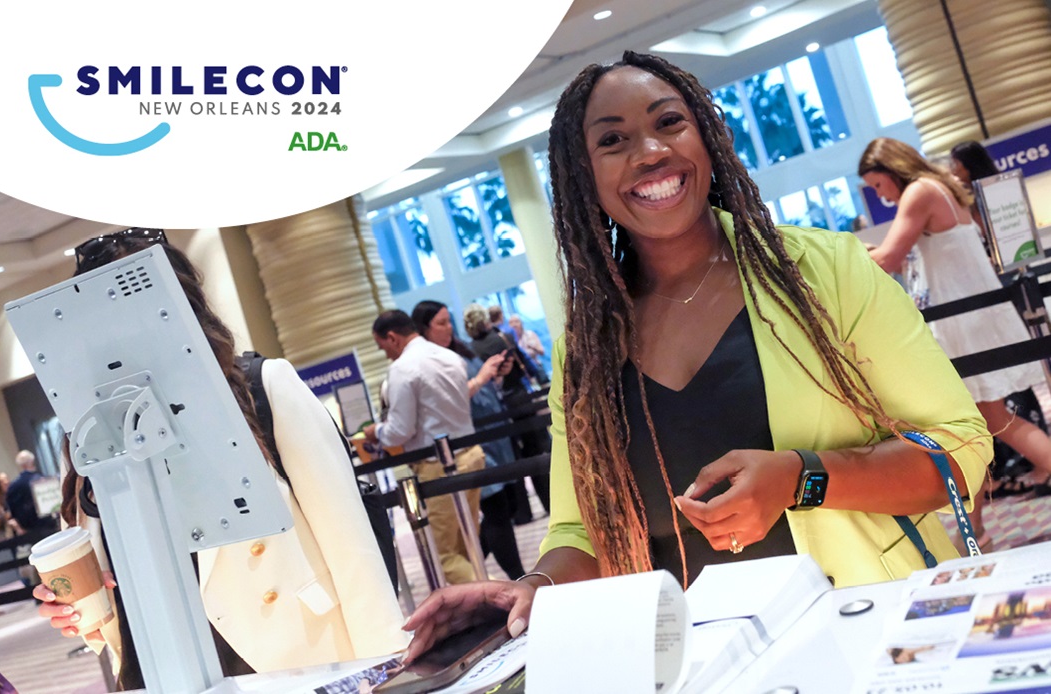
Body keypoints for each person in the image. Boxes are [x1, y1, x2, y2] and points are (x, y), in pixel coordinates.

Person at [400, 52, 990, 660]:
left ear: (706, 137)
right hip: (696, 661)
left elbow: (962, 446)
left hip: (870, 633)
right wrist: (532, 587)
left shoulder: (826, 271)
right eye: (613, 140)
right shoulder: (587, 352)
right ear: (584, 177)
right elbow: (580, 529)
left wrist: (802, 477)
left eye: (669, 123)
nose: (650, 151)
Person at [33, 229, 406, 688]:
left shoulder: (262, 388)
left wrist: (386, 671)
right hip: (164, 669)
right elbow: (110, 603)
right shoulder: (91, 436)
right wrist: (77, 613)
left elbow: (352, 547)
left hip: (291, 659)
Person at [859, 137, 1051, 508]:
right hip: (971, 320)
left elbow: (888, 258)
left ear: (892, 169)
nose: (881, 196)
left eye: (879, 185)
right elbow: (905, 261)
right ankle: (977, 529)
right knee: (988, 423)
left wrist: (852, 254)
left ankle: (976, 529)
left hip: (962, 325)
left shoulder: (919, 192)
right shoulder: (939, 187)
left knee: (967, 427)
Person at [364, 309, 488, 585]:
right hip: (472, 455)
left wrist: (376, 432)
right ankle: (485, 607)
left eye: (382, 346)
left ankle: (501, 595)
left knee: (445, 557)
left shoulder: (402, 369)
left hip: (438, 467)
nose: (384, 353)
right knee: (468, 544)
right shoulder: (450, 356)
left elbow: (399, 430)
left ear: (393, 338)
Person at [411, 300, 527, 580]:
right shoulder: (431, 362)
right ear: (423, 328)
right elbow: (451, 401)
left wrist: (496, 375)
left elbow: (479, 388)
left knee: (504, 508)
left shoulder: (459, 351)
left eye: (448, 320)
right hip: (467, 445)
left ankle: (471, 569)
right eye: (440, 323)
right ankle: (517, 577)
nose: (448, 327)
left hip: (493, 437)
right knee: (496, 511)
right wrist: (483, 377)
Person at [465, 303, 552, 520]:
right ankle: (551, 505)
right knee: (537, 455)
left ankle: (522, 513)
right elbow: (524, 364)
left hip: (496, 410)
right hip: (521, 401)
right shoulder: (503, 338)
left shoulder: (471, 351)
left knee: (512, 462)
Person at [949, 140, 999, 239]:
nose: (952, 170)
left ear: (969, 165)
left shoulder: (996, 190)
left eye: (955, 164)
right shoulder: (963, 195)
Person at [5, 450, 56, 532]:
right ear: (32, 461)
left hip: (28, 528)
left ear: (21, 465)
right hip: (47, 524)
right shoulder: (41, 480)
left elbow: (12, 509)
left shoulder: (13, 486)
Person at [508, 314, 546, 380]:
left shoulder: (530, 334)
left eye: (516, 321)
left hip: (536, 367)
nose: (514, 325)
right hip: (522, 373)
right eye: (511, 322)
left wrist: (533, 347)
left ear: (521, 323)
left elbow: (542, 351)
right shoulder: (509, 340)